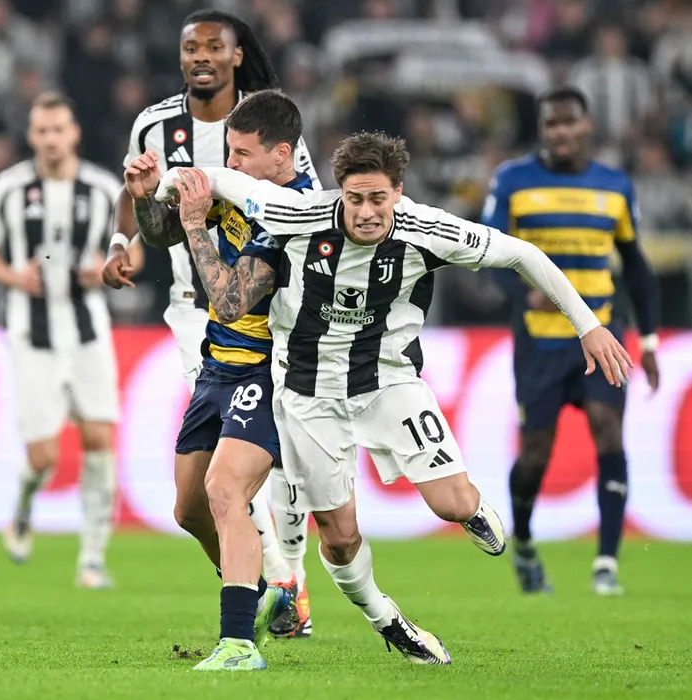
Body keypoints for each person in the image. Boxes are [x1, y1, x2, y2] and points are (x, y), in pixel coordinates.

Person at [157, 130, 632, 666]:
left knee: (451, 504)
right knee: (339, 538)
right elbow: (217, 178)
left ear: (398, 193)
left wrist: (588, 325)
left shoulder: (427, 228)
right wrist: (166, 186)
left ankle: (473, 509)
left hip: (388, 382)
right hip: (309, 396)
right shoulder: (297, 213)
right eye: (355, 199)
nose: (365, 212)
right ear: (339, 192)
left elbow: (522, 254)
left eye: (378, 199)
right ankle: (388, 620)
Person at [104, 8, 320, 638]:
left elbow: (304, 207)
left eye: (213, 46)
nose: (200, 55)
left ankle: (286, 578)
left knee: (254, 468)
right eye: (190, 47)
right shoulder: (155, 124)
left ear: (235, 55)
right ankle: (271, 585)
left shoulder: (268, 127)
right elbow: (143, 202)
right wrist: (125, 236)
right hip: (189, 310)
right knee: (200, 497)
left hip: (265, 316)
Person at [482, 85, 659, 596]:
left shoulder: (615, 186)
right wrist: (522, 294)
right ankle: (524, 544)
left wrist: (648, 339)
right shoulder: (513, 181)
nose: (559, 132)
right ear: (542, 129)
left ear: (586, 126)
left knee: (608, 428)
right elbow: (486, 254)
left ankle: (606, 564)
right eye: (550, 124)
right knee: (536, 452)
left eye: (568, 122)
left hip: (602, 334)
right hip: (541, 341)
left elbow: (637, 266)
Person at [0, 92, 123, 589]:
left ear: (73, 133)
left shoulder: (103, 189)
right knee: (44, 458)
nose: (52, 139)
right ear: (31, 136)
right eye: (42, 131)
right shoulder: (8, 189)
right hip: (31, 333)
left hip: (88, 329)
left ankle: (92, 559)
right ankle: (22, 507)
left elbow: (134, 255)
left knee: (99, 438)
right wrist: (16, 278)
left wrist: (108, 270)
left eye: (59, 129)